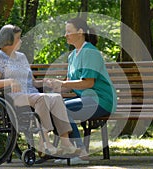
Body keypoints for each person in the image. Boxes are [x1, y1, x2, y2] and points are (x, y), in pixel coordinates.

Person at [0, 24, 80, 157]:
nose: (21, 41)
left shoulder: (21, 57)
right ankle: (44, 142)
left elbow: (32, 82)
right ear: (8, 40)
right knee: (42, 98)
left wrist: (44, 82)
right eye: (18, 38)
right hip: (12, 96)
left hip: (30, 94)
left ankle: (65, 142)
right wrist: (11, 81)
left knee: (56, 97)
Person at [48, 18, 117, 164]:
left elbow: (88, 83)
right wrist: (55, 85)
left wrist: (63, 83)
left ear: (80, 32)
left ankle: (81, 153)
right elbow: (69, 83)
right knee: (54, 106)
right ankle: (70, 151)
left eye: (68, 31)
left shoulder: (90, 52)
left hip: (101, 100)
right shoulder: (72, 55)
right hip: (86, 100)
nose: (65, 35)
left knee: (63, 108)